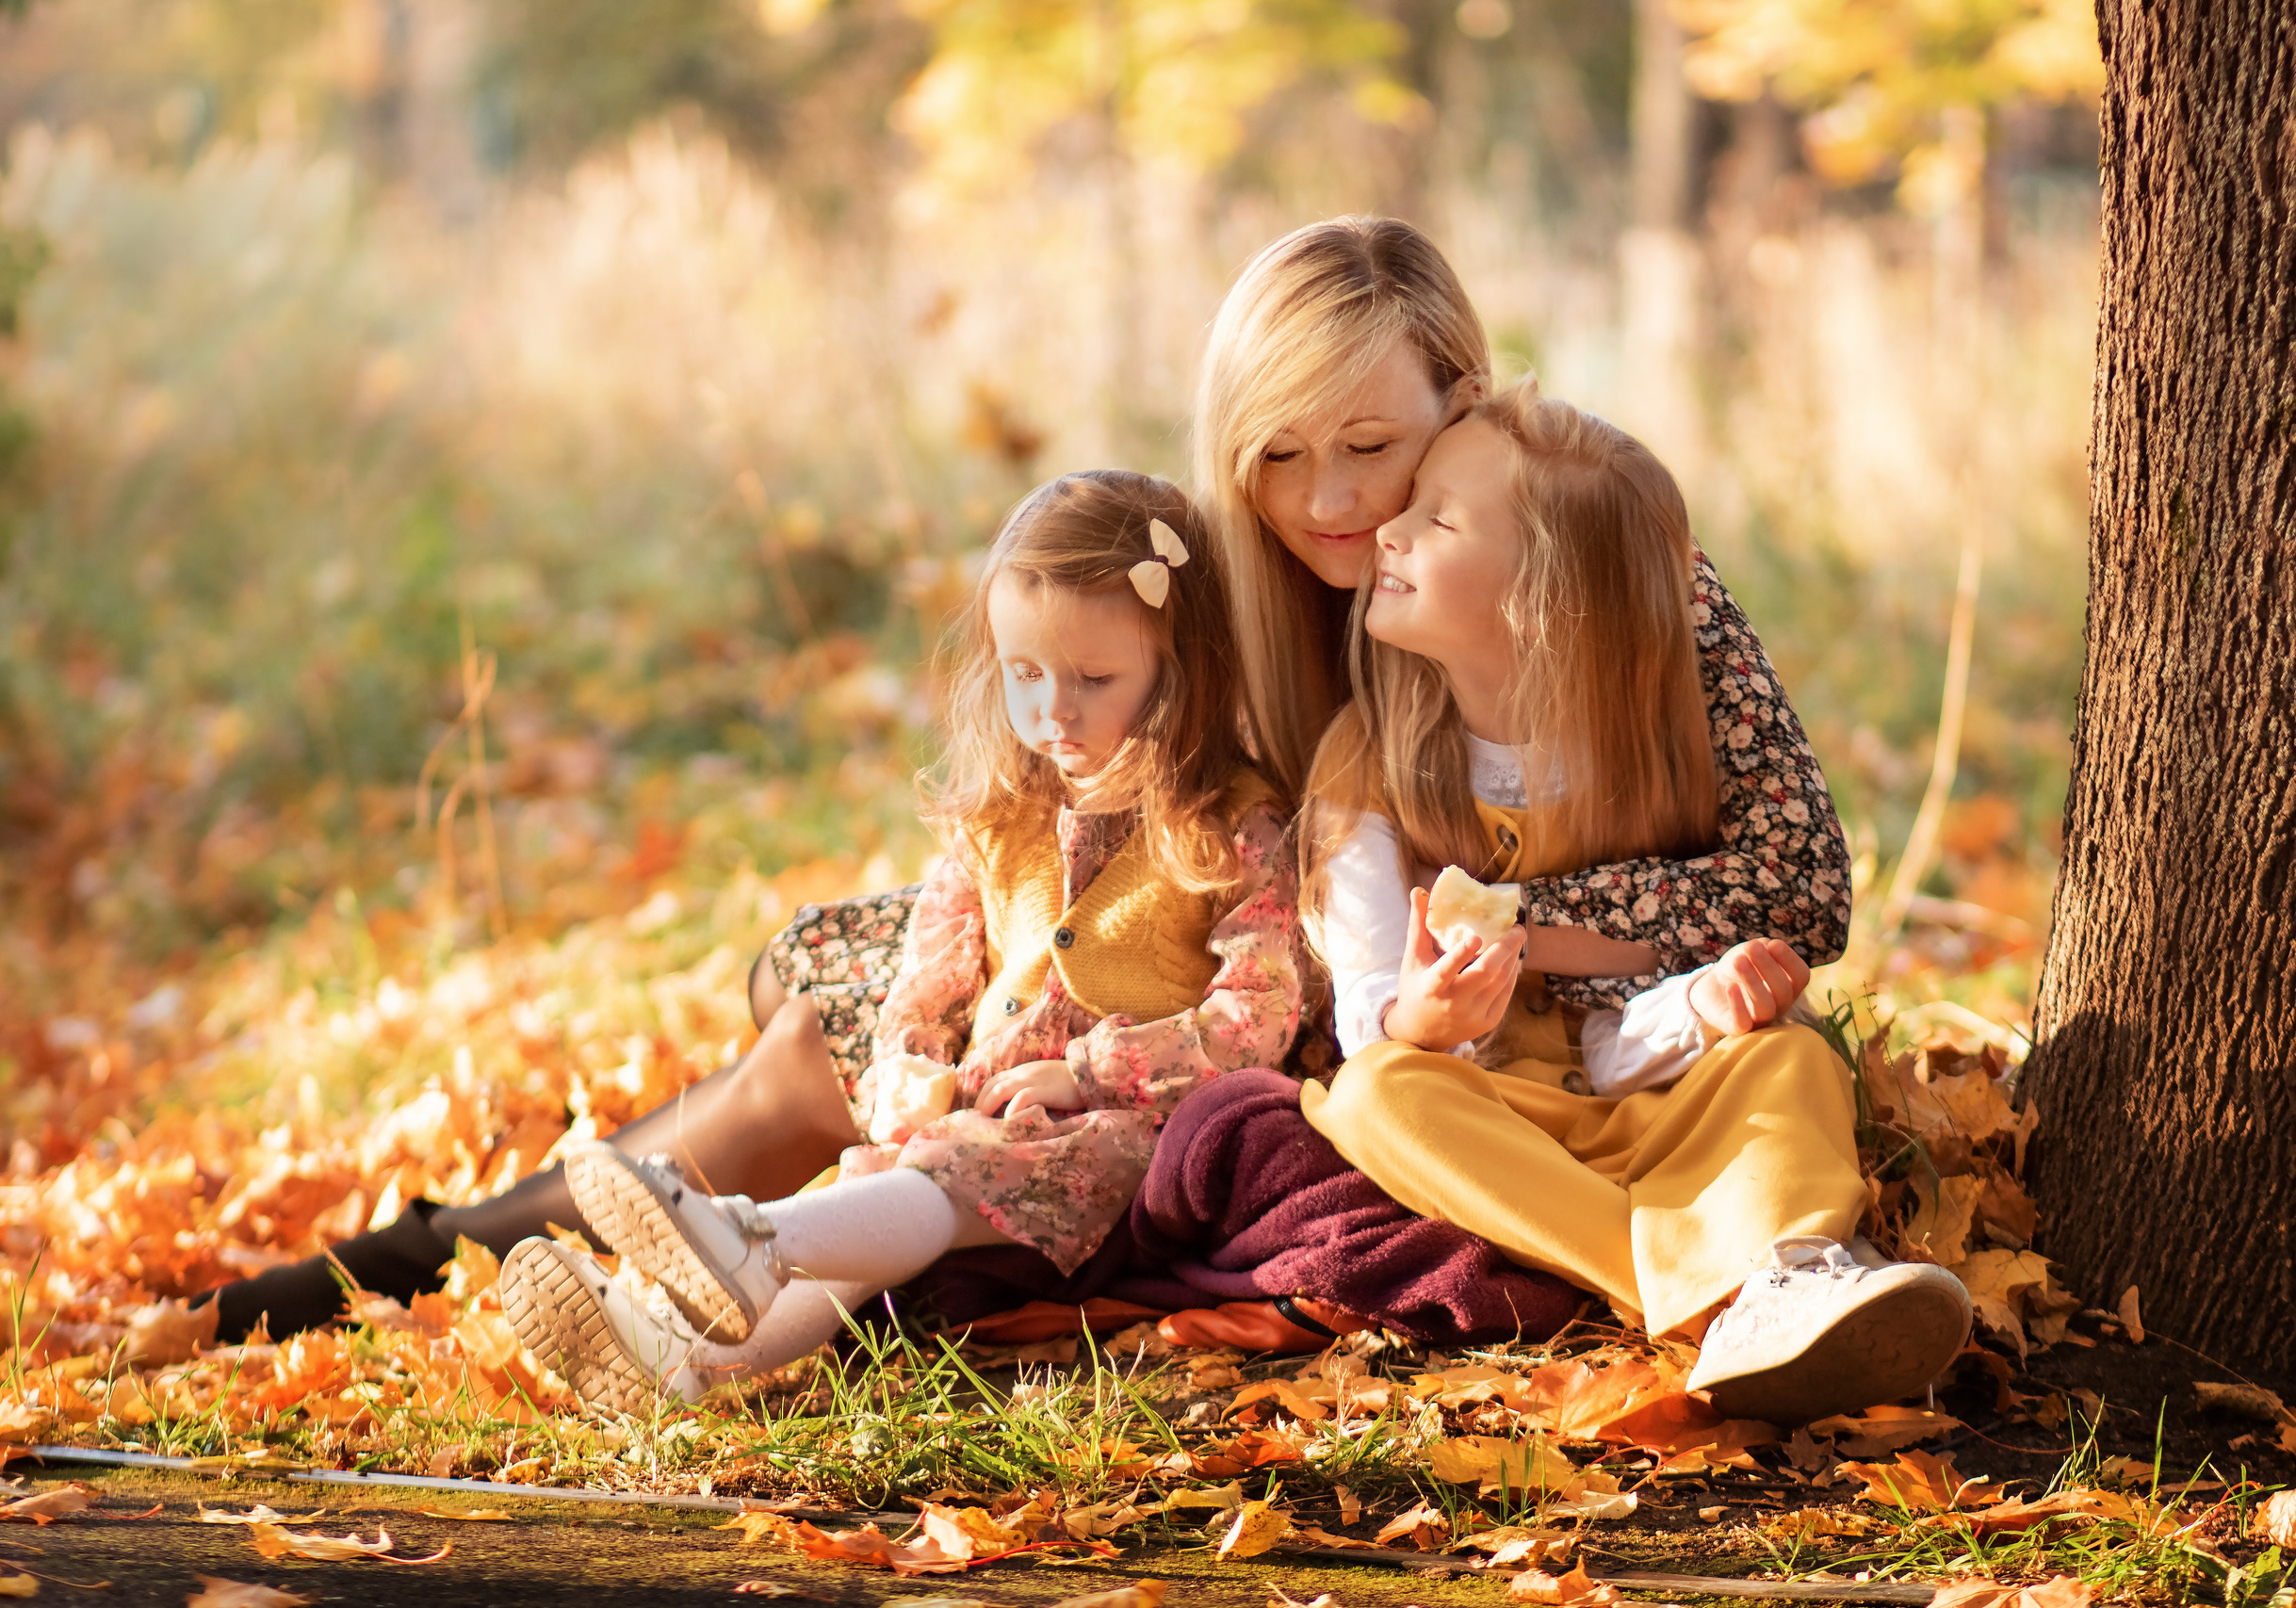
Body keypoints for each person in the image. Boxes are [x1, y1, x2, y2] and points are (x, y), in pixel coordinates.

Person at [194, 214, 1849, 1344]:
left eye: (1373, 442)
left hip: (1347, 1032)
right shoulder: (1225, 587)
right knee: (808, 1042)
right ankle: (441, 1257)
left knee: (842, 1083)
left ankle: (583, 1257)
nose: (1333, 500)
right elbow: (1118, 812)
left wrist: (1489, 929)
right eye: (1282, 453)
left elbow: (1800, 884)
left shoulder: (1604, 571)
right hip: (1160, 959)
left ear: (1459, 396)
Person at [494, 471, 1305, 1411]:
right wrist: (907, 1073)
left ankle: (746, 1236)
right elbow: (930, 976)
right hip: (972, 1113)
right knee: (877, 1189)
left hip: (1121, 1135)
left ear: (1180, 671)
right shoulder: (1005, 814)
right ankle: (688, 1363)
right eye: (1025, 676)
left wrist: (1090, 1075)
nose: (1053, 715)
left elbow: (1258, 1012)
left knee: (938, 1174)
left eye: (1094, 681)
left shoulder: (1228, 826)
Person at [1295, 381, 1969, 1424]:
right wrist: (1422, 1021)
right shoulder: (1367, 768)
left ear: (1540, 600)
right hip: (1500, 1117)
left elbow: (1620, 1037)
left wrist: (1706, 1004)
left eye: (1436, 519)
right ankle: (1735, 1296)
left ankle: (1777, 1268)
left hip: (1650, 1110)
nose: (1388, 530)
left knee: (1787, 1058)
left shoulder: (1641, 754)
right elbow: (1363, 1017)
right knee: (1380, 1094)